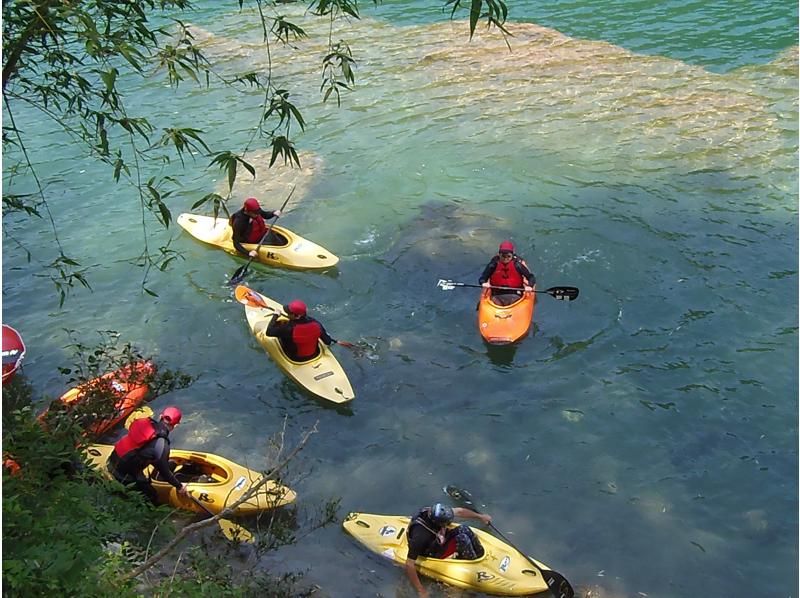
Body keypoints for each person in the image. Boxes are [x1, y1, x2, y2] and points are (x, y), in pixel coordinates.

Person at [404, 503, 492, 597]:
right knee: (462, 540)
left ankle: (479, 555)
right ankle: (475, 567)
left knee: (464, 528)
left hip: (438, 537)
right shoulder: (420, 536)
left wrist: (480, 516)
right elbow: (409, 564)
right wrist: (421, 590)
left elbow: (459, 511)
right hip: (431, 550)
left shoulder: (437, 511)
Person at [107, 406, 188, 504]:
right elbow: (164, 472)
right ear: (175, 426)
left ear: (161, 416)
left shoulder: (145, 423)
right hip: (122, 475)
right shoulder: (162, 444)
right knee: (152, 496)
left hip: (112, 459)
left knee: (166, 463)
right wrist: (179, 487)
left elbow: (144, 449)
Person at [264, 300, 338, 362]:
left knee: (280, 334)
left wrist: (275, 316)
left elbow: (269, 332)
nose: (287, 314)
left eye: (289, 313)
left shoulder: (288, 328)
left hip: (295, 358)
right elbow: (327, 341)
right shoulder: (316, 323)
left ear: (296, 316)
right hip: (314, 355)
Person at [478, 240, 535, 306]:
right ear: (499, 255)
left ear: (512, 256)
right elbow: (482, 278)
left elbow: (531, 277)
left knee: (513, 300)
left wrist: (530, 286)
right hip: (497, 294)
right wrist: (483, 283)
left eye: (508, 256)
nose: (505, 259)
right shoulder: (493, 265)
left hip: (515, 293)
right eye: (503, 256)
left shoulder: (518, 265)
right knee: (495, 302)